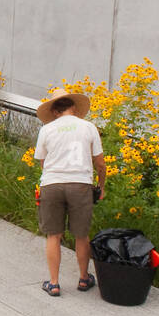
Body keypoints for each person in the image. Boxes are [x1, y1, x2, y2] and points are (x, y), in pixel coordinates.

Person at [33, 87, 106, 296]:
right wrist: (101, 186)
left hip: (52, 185)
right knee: (82, 235)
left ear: (55, 111)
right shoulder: (88, 127)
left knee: (53, 235)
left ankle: (54, 283)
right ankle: (84, 279)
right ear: (73, 107)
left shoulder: (46, 130)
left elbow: (43, 162)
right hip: (81, 185)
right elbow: (100, 164)